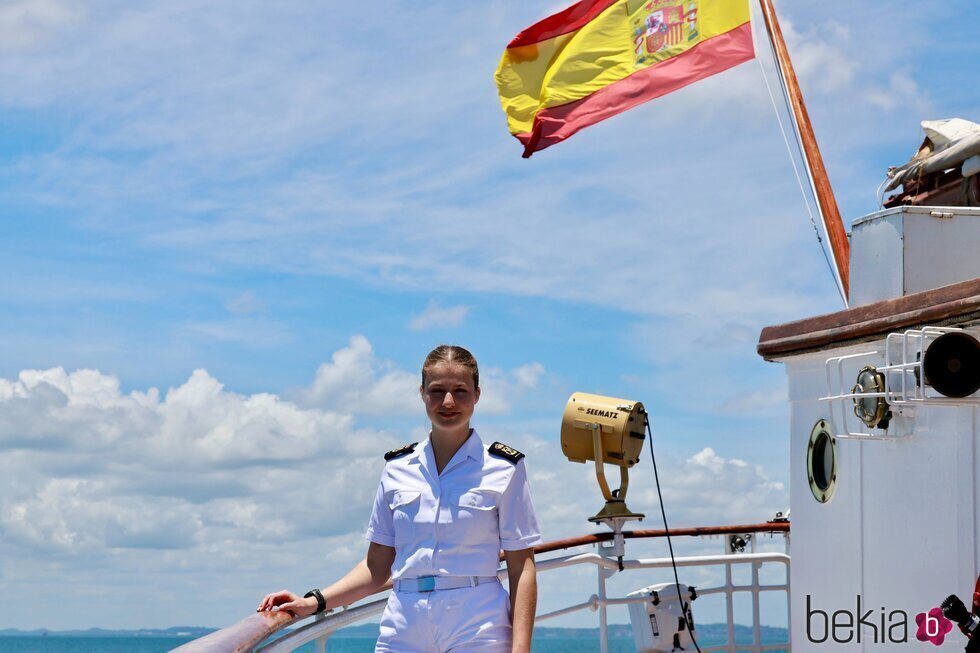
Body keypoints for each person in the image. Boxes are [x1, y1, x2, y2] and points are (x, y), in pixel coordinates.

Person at [258, 344, 541, 652]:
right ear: (422, 394)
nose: (448, 401)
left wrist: (520, 648)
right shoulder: (397, 468)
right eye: (437, 390)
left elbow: (521, 566)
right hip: (404, 623)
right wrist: (315, 601)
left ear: (477, 394)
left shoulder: (504, 468)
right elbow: (377, 566)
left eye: (460, 390)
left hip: (476, 621)